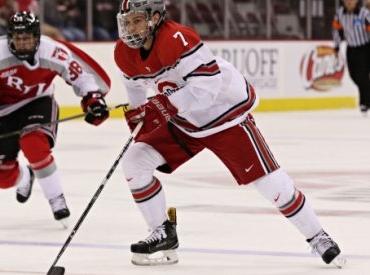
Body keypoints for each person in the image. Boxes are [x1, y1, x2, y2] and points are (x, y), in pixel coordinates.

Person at [114, 0, 346, 267]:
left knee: (272, 185)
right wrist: (138, 113)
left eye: (137, 20)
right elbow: (134, 88)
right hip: (185, 120)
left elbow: (208, 87)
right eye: (127, 21)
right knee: (134, 161)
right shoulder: (124, 52)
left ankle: (317, 236)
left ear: (155, 18)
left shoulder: (177, 39)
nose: (131, 28)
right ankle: (162, 232)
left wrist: (164, 105)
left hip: (224, 115)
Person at [0, 11, 110, 227]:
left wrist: (92, 98)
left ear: (37, 37)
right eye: (18, 38)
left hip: (38, 101)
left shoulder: (52, 51)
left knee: (34, 143)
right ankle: (25, 176)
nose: (23, 43)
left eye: (27, 38)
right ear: (9, 38)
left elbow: (80, 76)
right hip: (1, 111)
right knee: (2, 177)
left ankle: (56, 200)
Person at [332, 0, 370, 116]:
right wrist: (337, 46)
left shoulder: (364, 13)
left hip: (365, 48)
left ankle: (365, 102)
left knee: (362, 75)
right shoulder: (340, 13)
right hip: (351, 49)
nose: (349, 2)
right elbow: (336, 29)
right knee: (354, 76)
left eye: (351, 0)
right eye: (347, 0)